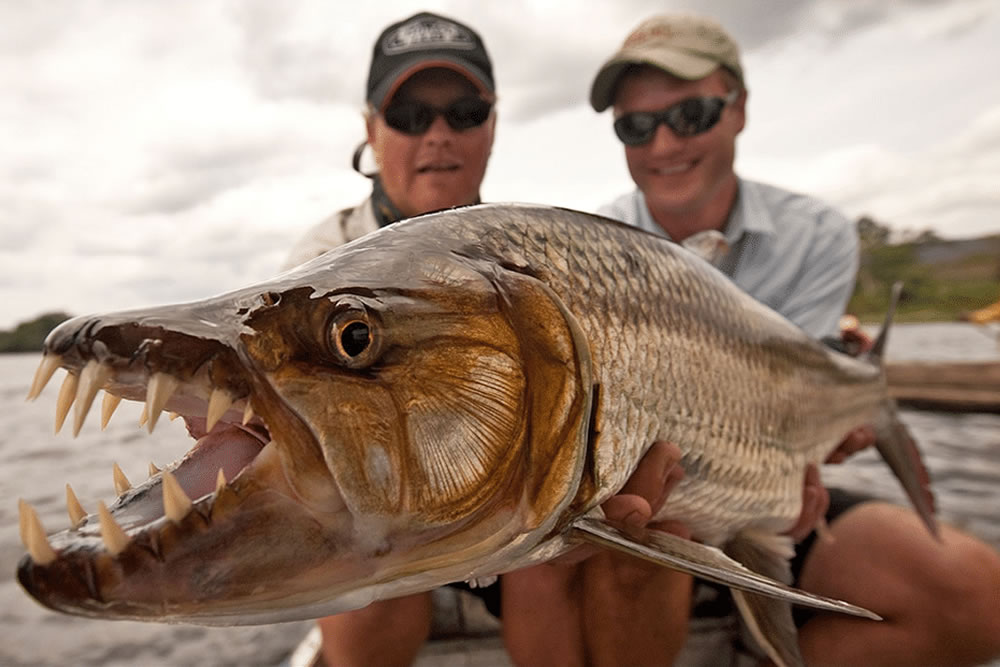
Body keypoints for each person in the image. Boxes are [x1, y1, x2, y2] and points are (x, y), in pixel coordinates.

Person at [582, 12, 1000, 666]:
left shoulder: (819, 232)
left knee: (978, 593)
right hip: (639, 504)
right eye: (636, 126)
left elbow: (799, 395)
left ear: (739, 108)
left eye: (690, 115)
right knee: (632, 541)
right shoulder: (590, 244)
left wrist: (822, 436)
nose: (663, 143)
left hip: (777, 485)